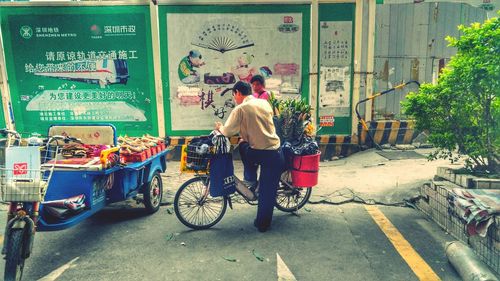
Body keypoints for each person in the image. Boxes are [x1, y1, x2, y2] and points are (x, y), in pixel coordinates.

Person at [215, 81, 283, 232]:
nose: (234, 99)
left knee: (266, 191)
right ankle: (251, 181)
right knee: (244, 145)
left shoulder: (240, 109)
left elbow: (227, 131)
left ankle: (263, 224)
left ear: (238, 93)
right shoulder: (264, 103)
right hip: (276, 150)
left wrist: (220, 127)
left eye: (234, 96)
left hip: (265, 154)